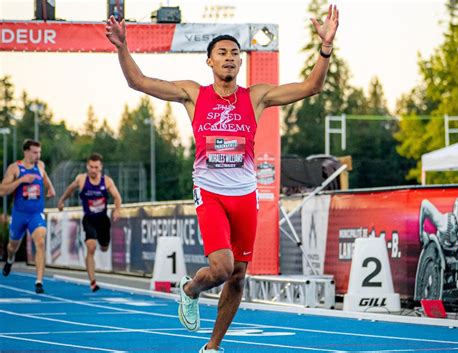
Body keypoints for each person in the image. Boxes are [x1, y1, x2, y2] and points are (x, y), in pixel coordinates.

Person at [105, 5, 339, 352]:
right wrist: (123, 47)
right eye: (222, 53)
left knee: (239, 277)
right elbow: (138, 82)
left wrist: (326, 48)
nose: (229, 58)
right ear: (210, 62)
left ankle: (212, 346)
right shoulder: (194, 94)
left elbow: (312, 86)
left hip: (246, 194)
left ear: (240, 63)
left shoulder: (255, 97)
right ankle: (190, 289)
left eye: (234, 54)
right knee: (222, 268)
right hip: (210, 193)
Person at [57, 153, 122, 292]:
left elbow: (117, 197)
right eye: (91, 167)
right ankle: (93, 281)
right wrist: (62, 200)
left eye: (96, 167)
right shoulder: (81, 179)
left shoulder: (107, 181)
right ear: (87, 166)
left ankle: (103, 243)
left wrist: (117, 210)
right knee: (91, 247)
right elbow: (70, 189)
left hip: (103, 220)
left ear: (101, 167)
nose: (93, 170)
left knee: (104, 247)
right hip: (89, 219)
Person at [1, 139, 56, 294]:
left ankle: (39, 282)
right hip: (19, 215)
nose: (37, 156)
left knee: (40, 241)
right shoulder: (15, 168)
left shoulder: (40, 165)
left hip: (35, 214)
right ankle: (10, 259)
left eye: (39, 153)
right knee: (12, 247)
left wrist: (50, 189)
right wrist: (21, 181)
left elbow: (45, 178)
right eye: (34, 152)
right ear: (26, 152)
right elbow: (2, 190)